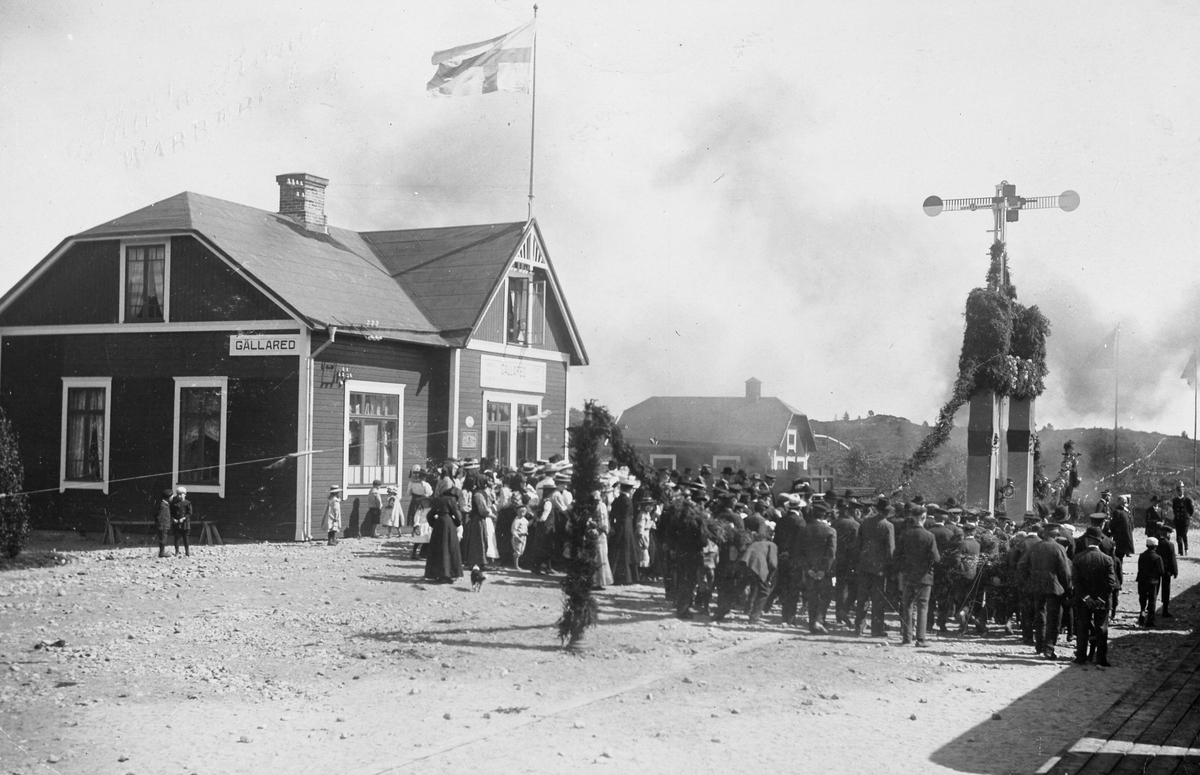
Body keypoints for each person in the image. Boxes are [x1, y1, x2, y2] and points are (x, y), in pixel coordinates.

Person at [1021, 522, 1072, 660]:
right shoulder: (1059, 548)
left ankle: (1039, 645)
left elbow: (1022, 565)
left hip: (1036, 585)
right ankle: (1049, 648)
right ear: (1057, 534)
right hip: (1054, 587)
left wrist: (1028, 580)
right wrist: (1067, 588)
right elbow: (1065, 572)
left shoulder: (1035, 546)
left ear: (1044, 533)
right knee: (1054, 618)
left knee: (1040, 615)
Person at [1072, 531, 1118, 667]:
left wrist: (1086, 597)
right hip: (1102, 601)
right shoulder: (1107, 559)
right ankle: (1101, 658)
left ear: (1087, 541)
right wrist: (1101, 599)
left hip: (1083, 600)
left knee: (1082, 627)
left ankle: (1081, 657)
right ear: (1099, 542)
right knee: (1102, 628)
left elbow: (1076, 582)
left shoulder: (1078, 558)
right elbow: (1111, 582)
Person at [896, 505, 940, 647]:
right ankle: (920, 639)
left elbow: (897, 556)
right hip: (924, 576)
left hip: (908, 575)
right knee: (922, 607)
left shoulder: (904, 534)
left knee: (907, 606)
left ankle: (906, 637)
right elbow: (935, 558)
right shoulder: (929, 536)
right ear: (923, 517)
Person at [855, 502, 895, 637]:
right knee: (878, 600)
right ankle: (876, 629)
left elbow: (858, 544)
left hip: (864, 565)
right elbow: (890, 550)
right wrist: (890, 567)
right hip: (879, 569)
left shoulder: (865, 522)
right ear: (888, 512)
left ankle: (859, 627)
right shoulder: (888, 526)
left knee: (862, 598)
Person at [802, 503, 838, 634]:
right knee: (825, 596)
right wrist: (824, 570)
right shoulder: (830, 531)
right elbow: (831, 554)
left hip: (810, 569)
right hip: (824, 571)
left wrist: (808, 569)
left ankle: (812, 624)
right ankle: (819, 620)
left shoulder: (804, 530)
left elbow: (800, 552)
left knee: (812, 597)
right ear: (825, 515)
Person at [424, 486, 464, 583]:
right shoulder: (451, 500)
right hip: (448, 524)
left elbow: (429, 515)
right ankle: (448, 574)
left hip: (439, 523)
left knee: (439, 549)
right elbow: (458, 516)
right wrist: (456, 523)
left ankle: (437, 574)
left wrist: (434, 524)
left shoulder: (439, 500)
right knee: (449, 548)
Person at [608, 475, 640, 585]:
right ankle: (626, 578)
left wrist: (613, 526)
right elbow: (626, 516)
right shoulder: (628, 501)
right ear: (630, 489)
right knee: (626, 551)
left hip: (618, 527)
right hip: (626, 527)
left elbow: (612, 515)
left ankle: (615, 576)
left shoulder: (617, 499)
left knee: (617, 552)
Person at [1137, 537, 1165, 627]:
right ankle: (1150, 619)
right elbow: (1161, 571)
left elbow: (1139, 567)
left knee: (1142, 597)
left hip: (1142, 580)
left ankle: (1142, 611)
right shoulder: (1157, 557)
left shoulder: (1142, 555)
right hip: (1153, 581)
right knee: (1152, 600)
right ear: (1156, 546)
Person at [1156, 523, 1179, 618]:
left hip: (1156, 569)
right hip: (1166, 570)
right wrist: (1175, 571)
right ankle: (1165, 610)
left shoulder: (1156, 543)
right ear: (1167, 534)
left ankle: (1150, 607)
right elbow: (1172, 559)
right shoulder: (1170, 545)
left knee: (1155, 589)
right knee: (1166, 589)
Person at [1172, 482, 1194, 556]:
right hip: (1178, 520)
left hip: (1185, 521)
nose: (1180, 492)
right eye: (1179, 490)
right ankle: (1180, 551)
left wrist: (1188, 516)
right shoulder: (1175, 500)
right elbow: (1174, 510)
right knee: (1178, 535)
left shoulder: (1187, 500)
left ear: (1183, 490)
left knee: (1183, 535)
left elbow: (1191, 510)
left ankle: (1186, 549)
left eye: (1181, 490)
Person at [169, 486, 192, 557]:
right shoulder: (174, 503)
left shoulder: (188, 503)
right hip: (176, 523)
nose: (179, 496)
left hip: (185, 523)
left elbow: (189, 513)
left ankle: (187, 551)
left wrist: (184, 518)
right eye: (178, 494)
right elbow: (171, 512)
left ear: (185, 494)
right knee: (176, 537)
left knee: (185, 537)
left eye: (181, 494)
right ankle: (177, 551)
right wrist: (173, 518)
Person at [406, 466, 431, 530]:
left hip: (415, 500)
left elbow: (409, 492)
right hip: (423, 500)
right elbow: (429, 493)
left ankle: (414, 529)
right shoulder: (425, 484)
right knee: (421, 514)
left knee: (414, 514)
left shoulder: (412, 483)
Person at [153, 489, 173, 558]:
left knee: (164, 538)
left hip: (164, 525)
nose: (172, 498)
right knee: (163, 539)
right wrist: (160, 525)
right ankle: (162, 553)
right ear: (169, 497)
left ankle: (162, 551)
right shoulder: (164, 506)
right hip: (163, 525)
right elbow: (161, 516)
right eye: (171, 497)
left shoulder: (163, 504)